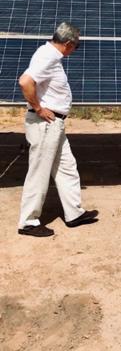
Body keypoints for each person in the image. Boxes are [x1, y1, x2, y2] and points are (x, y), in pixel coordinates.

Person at [17, 21, 98, 238]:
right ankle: (28, 222)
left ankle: (74, 213)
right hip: (45, 124)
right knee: (39, 172)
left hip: (55, 125)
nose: (74, 51)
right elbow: (25, 82)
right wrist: (39, 108)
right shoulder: (47, 56)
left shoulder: (49, 55)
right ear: (69, 44)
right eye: (75, 47)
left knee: (67, 167)